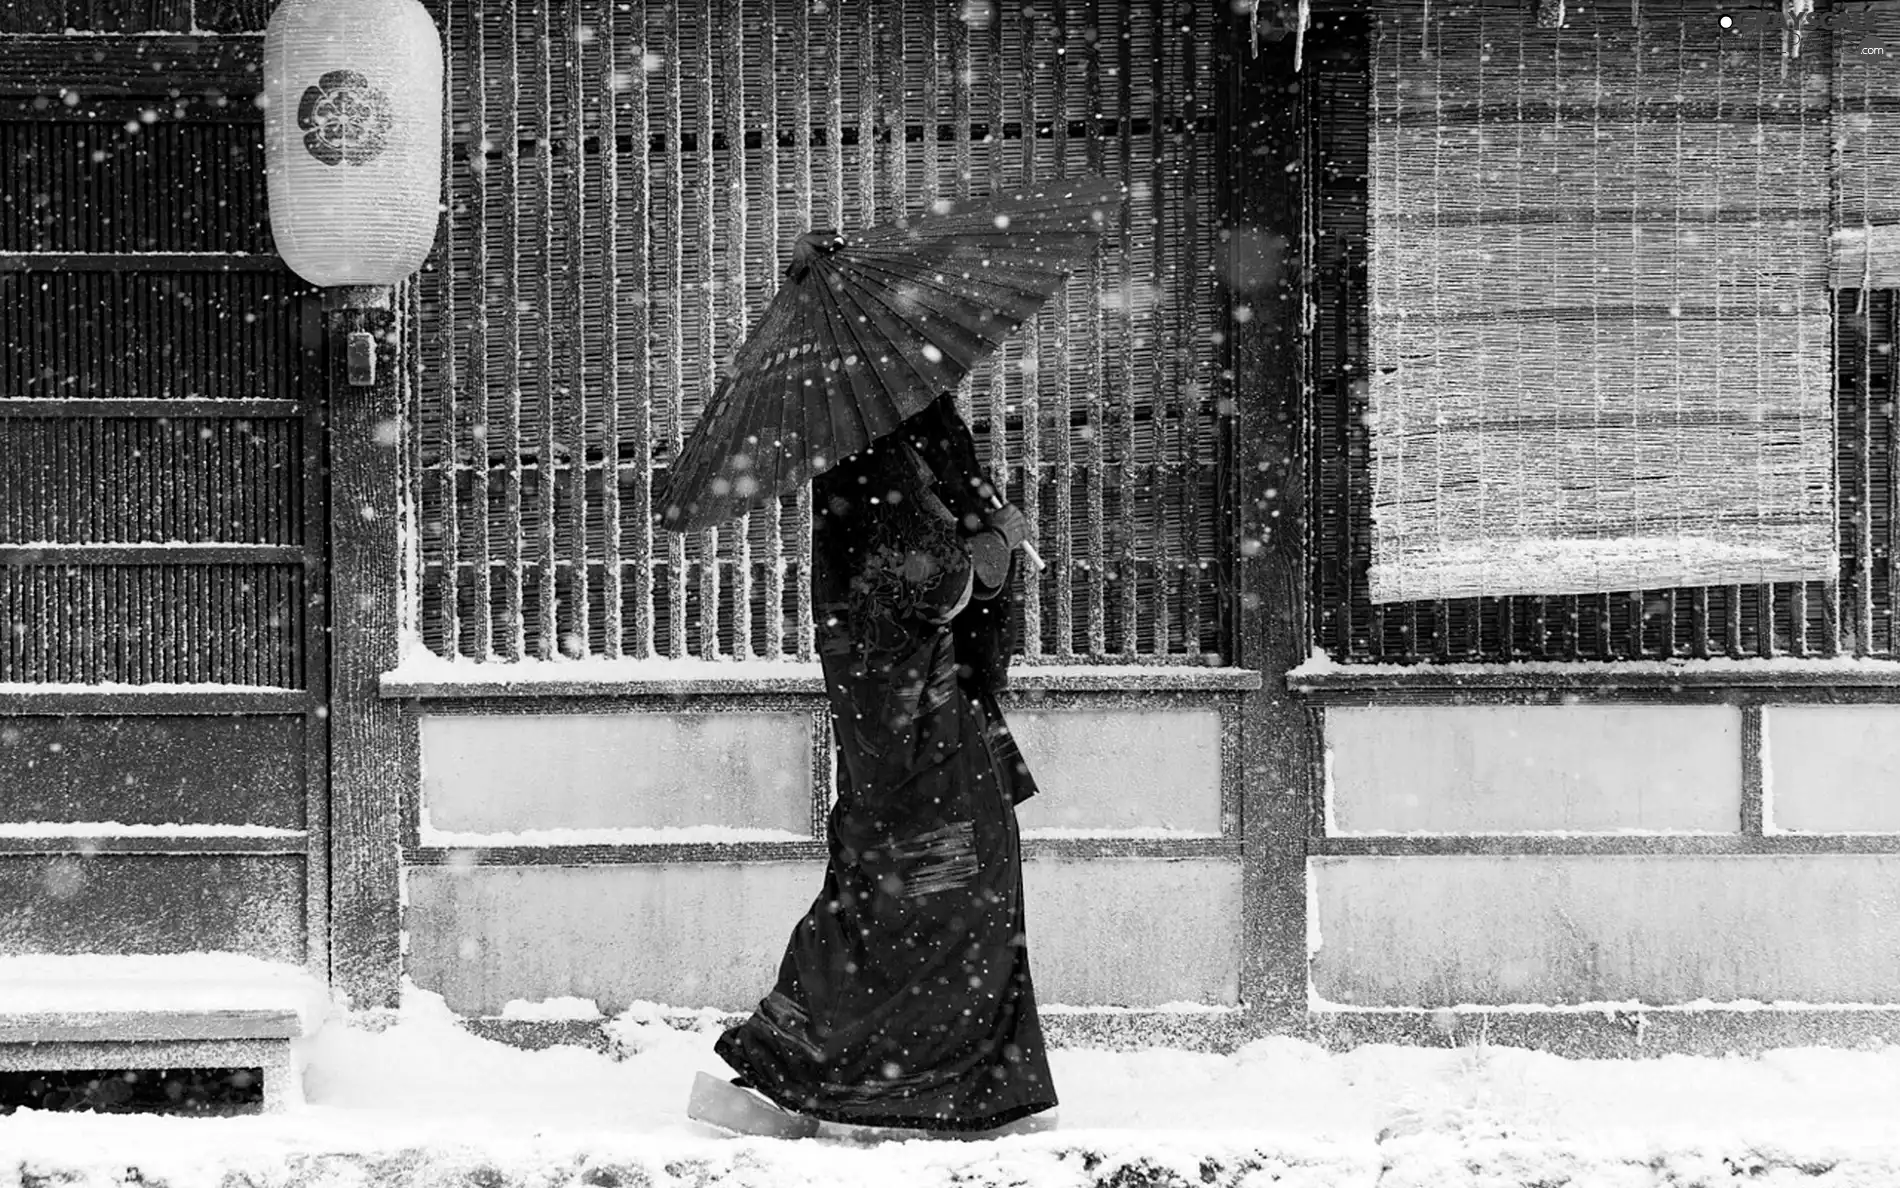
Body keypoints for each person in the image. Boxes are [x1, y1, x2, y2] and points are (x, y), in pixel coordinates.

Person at [688, 393, 1057, 1138]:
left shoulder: (908, 433)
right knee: (919, 889)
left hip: (936, 713)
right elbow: (910, 585)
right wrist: (989, 545)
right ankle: (848, 1076)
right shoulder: (868, 453)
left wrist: (985, 536)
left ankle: (943, 1080)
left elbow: (946, 579)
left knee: (944, 888)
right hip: (911, 723)